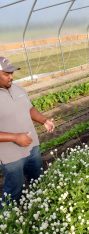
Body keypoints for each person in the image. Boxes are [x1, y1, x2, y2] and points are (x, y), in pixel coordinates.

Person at [0, 56, 55, 204]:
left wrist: (44, 120)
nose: (11, 77)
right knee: (14, 190)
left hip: (32, 147)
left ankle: (39, 208)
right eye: (6, 74)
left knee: (38, 179)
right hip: (11, 156)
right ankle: (6, 222)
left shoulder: (18, 89)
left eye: (12, 73)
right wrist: (15, 138)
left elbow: (29, 109)